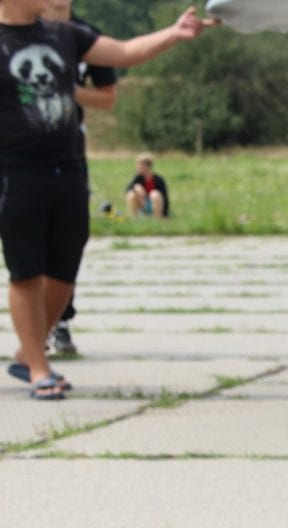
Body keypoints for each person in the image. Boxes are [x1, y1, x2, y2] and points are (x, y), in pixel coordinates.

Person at [1, 1, 215, 400]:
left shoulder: (64, 34)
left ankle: (28, 351)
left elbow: (124, 52)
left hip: (68, 168)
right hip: (14, 173)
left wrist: (174, 33)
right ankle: (38, 367)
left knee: (64, 268)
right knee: (26, 269)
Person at [41, 0, 118, 356]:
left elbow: (107, 99)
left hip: (67, 147)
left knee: (65, 238)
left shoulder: (87, 37)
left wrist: (63, 89)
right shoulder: (18, 30)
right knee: (22, 240)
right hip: (14, 148)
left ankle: (60, 321)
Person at [125, 152, 170, 218]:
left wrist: (165, 215)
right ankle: (135, 218)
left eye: (139, 166)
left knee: (155, 194)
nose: (137, 168)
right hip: (142, 204)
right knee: (131, 194)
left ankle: (158, 219)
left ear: (146, 167)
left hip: (155, 206)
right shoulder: (138, 178)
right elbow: (127, 190)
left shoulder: (159, 179)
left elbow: (165, 199)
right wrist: (135, 187)